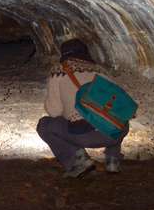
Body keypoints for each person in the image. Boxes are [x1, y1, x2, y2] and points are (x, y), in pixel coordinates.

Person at [37, 38, 128, 177]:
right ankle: (113, 161)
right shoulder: (100, 71)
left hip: (84, 134)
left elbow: (54, 111)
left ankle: (78, 161)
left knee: (44, 125)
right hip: (114, 134)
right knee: (114, 116)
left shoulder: (59, 72)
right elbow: (120, 104)